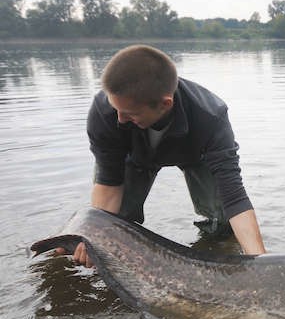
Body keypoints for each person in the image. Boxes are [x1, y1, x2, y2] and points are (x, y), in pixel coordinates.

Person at [62, 44, 266, 266]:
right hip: (134, 157)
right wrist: (94, 237)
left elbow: (234, 197)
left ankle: (215, 248)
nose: (119, 119)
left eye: (130, 114)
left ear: (165, 104)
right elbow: (109, 184)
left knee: (222, 221)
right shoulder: (105, 112)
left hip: (195, 155)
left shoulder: (211, 117)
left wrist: (260, 263)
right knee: (115, 226)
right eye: (116, 109)